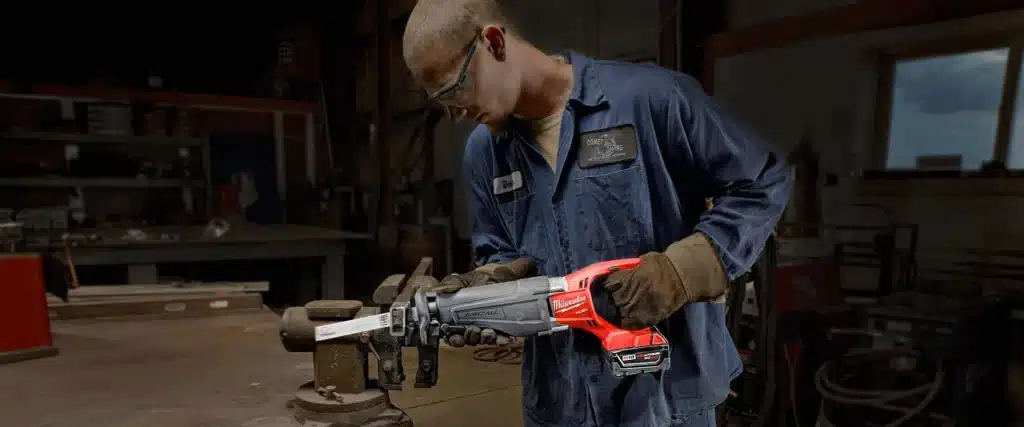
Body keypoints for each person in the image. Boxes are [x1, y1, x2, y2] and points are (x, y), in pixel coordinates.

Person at [401, 1, 792, 426]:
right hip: (558, 403)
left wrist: (683, 271)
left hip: (667, 400)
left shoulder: (649, 99)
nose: (454, 113)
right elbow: (500, 251)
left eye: (454, 90)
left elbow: (763, 180)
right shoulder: (485, 153)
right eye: (440, 103)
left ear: (494, 42)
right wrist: (490, 290)